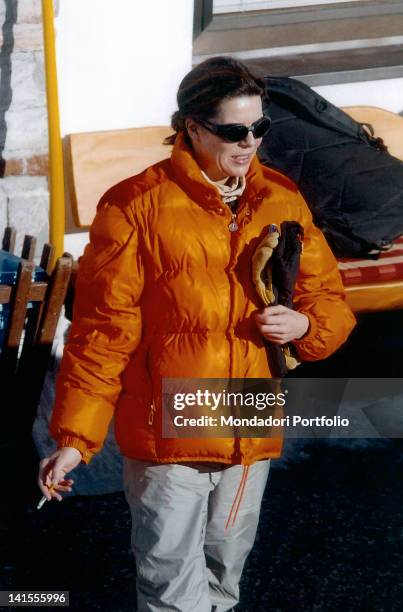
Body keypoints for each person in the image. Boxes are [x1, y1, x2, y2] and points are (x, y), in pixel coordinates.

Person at [38, 56, 356, 611]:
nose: (250, 141)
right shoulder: (134, 205)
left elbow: (328, 300)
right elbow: (102, 333)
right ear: (191, 126)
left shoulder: (279, 198)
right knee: (170, 589)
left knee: (226, 575)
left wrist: (305, 325)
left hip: (248, 426)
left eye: (260, 128)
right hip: (171, 436)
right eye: (234, 130)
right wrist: (75, 439)